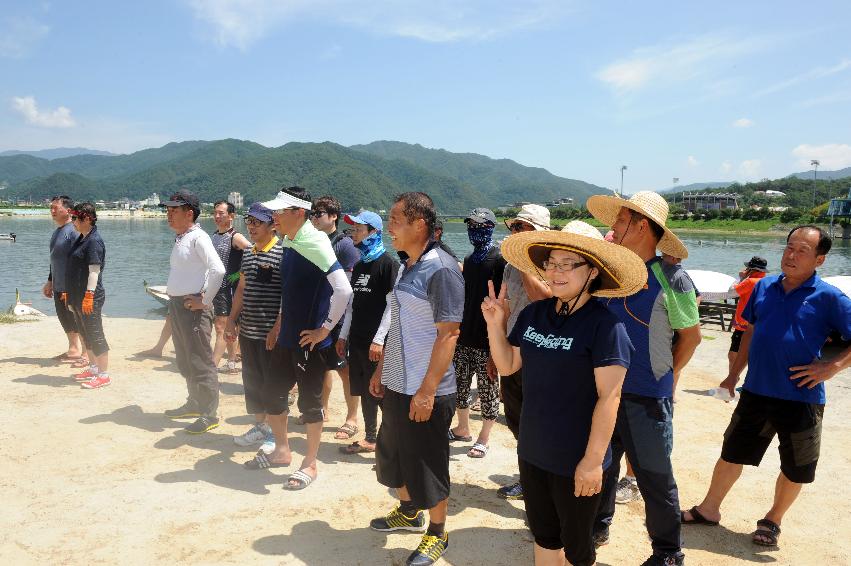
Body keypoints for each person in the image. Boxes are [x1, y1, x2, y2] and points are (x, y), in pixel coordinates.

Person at [681, 226, 851, 548]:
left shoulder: (830, 298)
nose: (792, 255)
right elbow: (750, 332)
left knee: (797, 466)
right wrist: (733, 375)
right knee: (732, 453)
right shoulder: (765, 287)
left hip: (802, 396)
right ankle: (709, 509)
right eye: (790, 247)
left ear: (820, 259)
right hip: (756, 390)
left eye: (803, 250)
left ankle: (772, 520)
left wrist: (831, 367)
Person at [488, 220, 644, 566]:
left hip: (576, 459)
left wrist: (592, 462)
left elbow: (610, 397)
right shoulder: (534, 314)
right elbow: (509, 364)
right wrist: (495, 324)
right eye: (551, 263)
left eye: (567, 264)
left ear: (592, 271)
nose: (555, 272)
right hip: (533, 450)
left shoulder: (606, 327)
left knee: (576, 549)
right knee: (544, 537)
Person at [586, 191, 702, 566]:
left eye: (620, 221)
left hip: (645, 397)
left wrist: (665, 376)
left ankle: (668, 553)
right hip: (603, 394)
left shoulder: (672, 278)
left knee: (654, 477)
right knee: (601, 467)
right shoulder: (609, 273)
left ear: (640, 226)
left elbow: (691, 336)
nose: (614, 228)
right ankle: (597, 528)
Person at [368, 192, 464, 566]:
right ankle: (408, 511)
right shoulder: (408, 263)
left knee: (427, 462)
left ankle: (438, 534)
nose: (389, 225)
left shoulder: (441, 268)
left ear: (419, 224)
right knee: (394, 455)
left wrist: (426, 391)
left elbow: (449, 334)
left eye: (395, 219)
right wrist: (382, 369)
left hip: (426, 388)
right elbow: (401, 323)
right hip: (397, 380)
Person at [261, 187, 353, 489]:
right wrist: (278, 324)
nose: (274, 216)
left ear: (298, 213)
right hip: (288, 336)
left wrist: (325, 329)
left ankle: (310, 463)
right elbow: (291, 291)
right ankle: (283, 450)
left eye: (279, 211)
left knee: (310, 405)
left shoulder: (315, 242)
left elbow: (344, 290)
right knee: (272, 395)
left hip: (309, 342)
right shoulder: (290, 240)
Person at [496, 204, 552, 500]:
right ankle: (527, 478)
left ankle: (539, 484)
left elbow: (541, 297)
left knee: (538, 423)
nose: (515, 232)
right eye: (514, 227)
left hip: (541, 356)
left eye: (522, 227)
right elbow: (505, 307)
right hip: (513, 350)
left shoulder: (552, 264)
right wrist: (498, 351)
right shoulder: (508, 266)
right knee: (516, 419)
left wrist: (526, 263)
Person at [160, 190, 226, 434]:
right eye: (167, 210)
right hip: (178, 306)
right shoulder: (181, 237)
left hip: (192, 309)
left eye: (174, 210)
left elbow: (218, 270)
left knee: (201, 360)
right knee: (186, 358)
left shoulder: (199, 237)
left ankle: (209, 413)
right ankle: (194, 403)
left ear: (189, 213)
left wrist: (205, 300)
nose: (169, 215)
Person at [336, 209, 399, 453]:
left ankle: (393, 442)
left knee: (380, 391)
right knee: (364, 391)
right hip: (358, 339)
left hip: (377, 342)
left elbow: (392, 307)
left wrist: (379, 340)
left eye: (359, 230)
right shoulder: (360, 264)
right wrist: (343, 336)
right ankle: (371, 438)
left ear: (374, 232)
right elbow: (353, 305)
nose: (354, 233)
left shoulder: (388, 265)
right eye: (353, 229)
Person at [224, 203, 284, 460]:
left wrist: (277, 328)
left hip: (271, 333)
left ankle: (275, 435)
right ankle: (261, 427)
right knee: (253, 383)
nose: (251, 226)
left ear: (273, 225)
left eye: (257, 222)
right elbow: (241, 290)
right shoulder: (248, 253)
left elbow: (287, 296)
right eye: (249, 221)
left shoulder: (283, 253)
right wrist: (231, 320)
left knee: (273, 385)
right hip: (248, 330)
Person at [448, 208, 505, 458]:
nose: (474, 230)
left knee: (488, 388)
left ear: (491, 227)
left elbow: (504, 302)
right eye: (470, 225)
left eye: (480, 225)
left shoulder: (500, 259)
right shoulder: (470, 259)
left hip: (487, 338)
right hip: (464, 334)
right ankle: (463, 428)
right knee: (459, 385)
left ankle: (484, 437)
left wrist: (497, 344)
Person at [310, 195, 361, 437]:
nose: (314, 218)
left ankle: (352, 418)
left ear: (333, 217)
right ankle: (323, 409)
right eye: (312, 214)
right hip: (320, 312)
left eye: (319, 214)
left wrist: (345, 322)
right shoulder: (314, 241)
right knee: (322, 367)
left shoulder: (343, 245)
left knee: (344, 368)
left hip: (339, 316)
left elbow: (351, 286)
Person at [66, 202, 111, 389]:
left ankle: (104, 374)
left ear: (87, 219)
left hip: (89, 295)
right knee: (85, 333)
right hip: (77, 295)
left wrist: (89, 295)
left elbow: (94, 271)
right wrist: (71, 298)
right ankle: (93, 367)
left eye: (75, 218)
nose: (73, 222)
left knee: (95, 332)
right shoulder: (82, 238)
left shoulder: (94, 241)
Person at [211, 200, 251, 373]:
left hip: (228, 289)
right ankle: (232, 362)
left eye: (221, 213)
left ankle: (213, 366)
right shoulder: (214, 236)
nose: (217, 216)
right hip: (216, 287)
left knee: (222, 326)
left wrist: (237, 276)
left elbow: (253, 252)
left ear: (232, 216)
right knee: (226, 327)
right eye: (215, 213)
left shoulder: (235, 237)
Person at [43, 195, 83, 363]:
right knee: (64, 317)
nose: (52, 211)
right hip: (59, 284)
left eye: (55, 208)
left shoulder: (74, 230)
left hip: (71, 286)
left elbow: (81, 259)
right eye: (51, 207)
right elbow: (55, 259)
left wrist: (75, 285)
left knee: (77, 318)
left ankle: (87, 354)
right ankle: (73, 349)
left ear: (68, 210)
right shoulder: (57, 232)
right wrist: (50, 281)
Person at [728, 256, 767, 373]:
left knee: (733, 355)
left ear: (751, 269)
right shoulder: (766, 281)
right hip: (757, 324)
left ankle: (732, 379)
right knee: (750, 354)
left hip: (743, 324)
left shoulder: (750, 281)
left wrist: (741, 278)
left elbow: (731, 292)